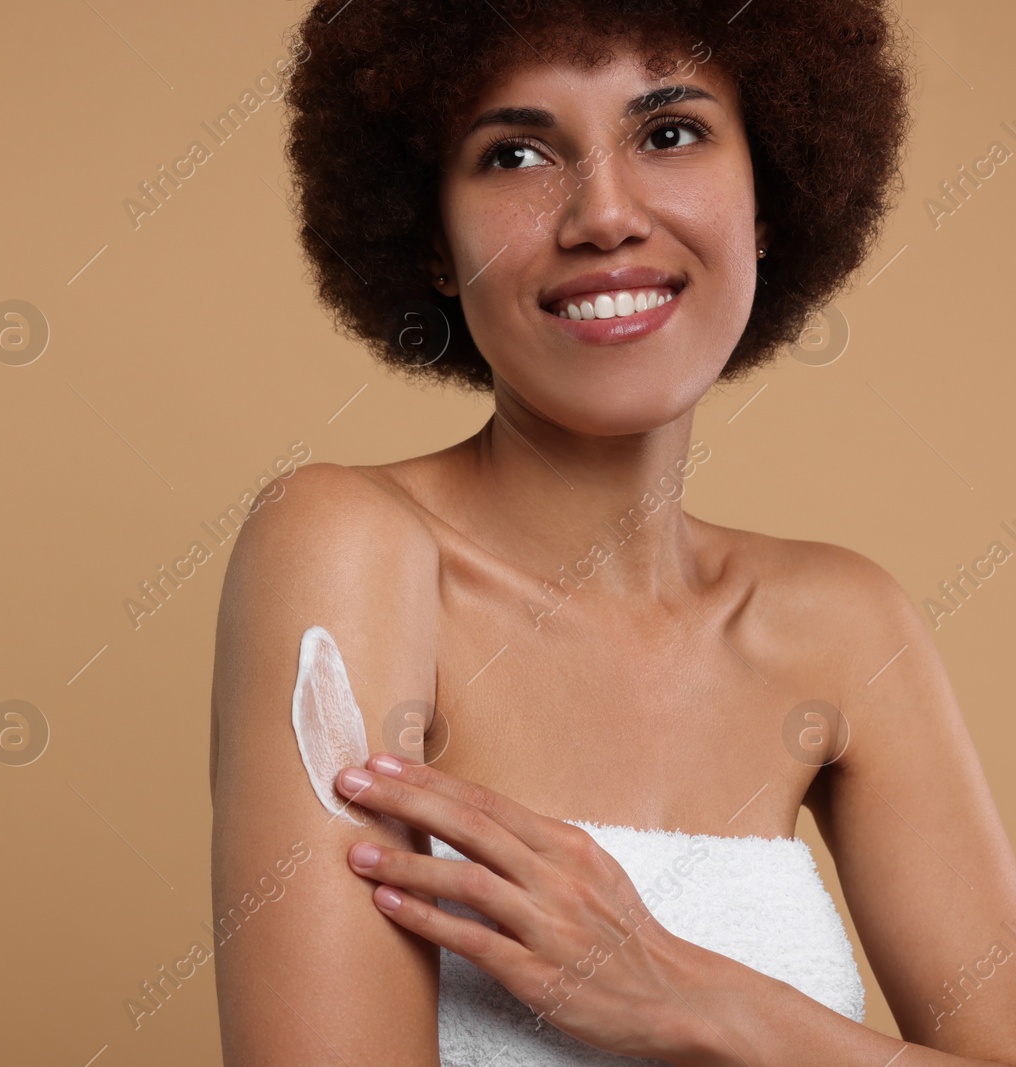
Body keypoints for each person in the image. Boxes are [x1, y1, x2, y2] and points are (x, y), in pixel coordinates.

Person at [207, 1, 1016, 1064]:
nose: (603, 214)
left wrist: (696, 999)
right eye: (513, 153)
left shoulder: (844, 625)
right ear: (431, 243)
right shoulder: (350, 548)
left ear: (767, 197)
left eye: (669, 133)